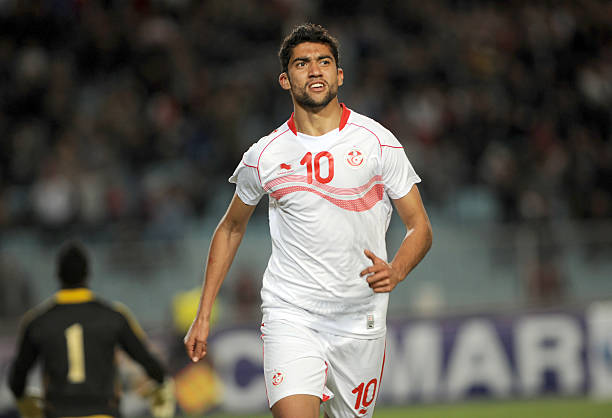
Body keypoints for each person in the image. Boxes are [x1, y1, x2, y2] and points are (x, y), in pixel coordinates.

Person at [184, 23, 433, 418]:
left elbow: (419, 226)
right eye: (302, 64)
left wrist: (397, 269)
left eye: (324, 62)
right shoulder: (264, 155)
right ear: (285, 80)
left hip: (360, 319)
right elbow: (231, 228)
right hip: (292, 314)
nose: (315, 70)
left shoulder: (377, 142)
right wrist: (203, 314)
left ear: (340, 75)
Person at [8, 240, 175, 418]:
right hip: (103, 412)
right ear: (88, 274)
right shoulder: (113, 316)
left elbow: (17, 379)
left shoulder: (38, 322)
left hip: (59, 413)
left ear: (57, 275)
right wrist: (161, 384)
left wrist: (24, 400)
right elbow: (147, 361)